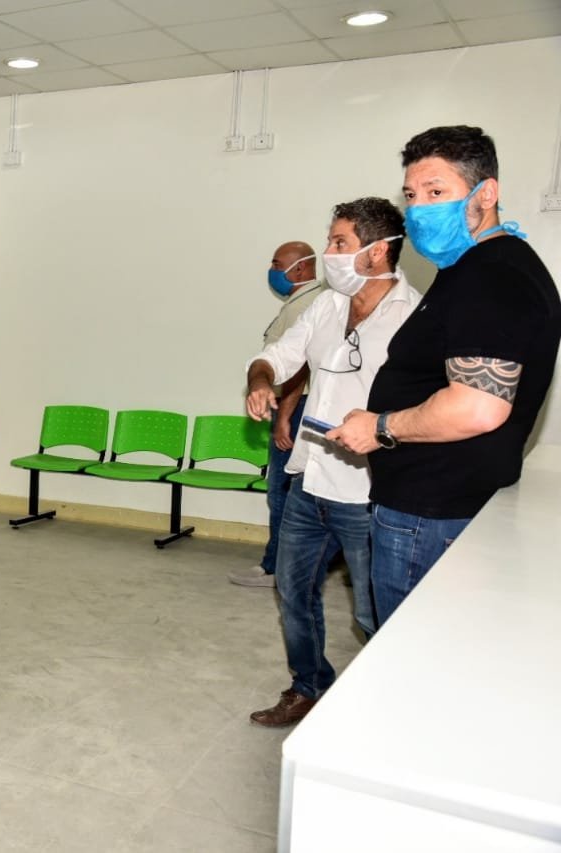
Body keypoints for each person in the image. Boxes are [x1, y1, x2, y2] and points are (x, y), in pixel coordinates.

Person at [332, 126, 561, 626]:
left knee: (406, 646)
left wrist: (380, 427)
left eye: (436, 192)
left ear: (486, 193)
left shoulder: (490, 275)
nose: (419, 209)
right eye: (412, 195)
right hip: (435, 506)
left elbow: (477, 407)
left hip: (430, 515)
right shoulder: (475, 269)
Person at [244, 198, 421, 727]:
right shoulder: (325, 306)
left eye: (340, 242)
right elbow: (278, 356)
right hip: (309, 480)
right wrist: (260, 381)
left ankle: (387, 713)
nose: (329, 252)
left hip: (369, 496)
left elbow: (422, 411)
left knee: (371, 611)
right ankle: (308, 687)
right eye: (330, 240)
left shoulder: (413, 317)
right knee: (293, 592)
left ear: (378, 251)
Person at [230, 243, 324, 587]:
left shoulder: (308, 304)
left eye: (276, 264)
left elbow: (299, 367)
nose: (271, 270)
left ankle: (277, 569)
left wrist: (284, 415)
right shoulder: (302, 301)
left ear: (299, 268)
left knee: (282, 492)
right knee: (292, 492)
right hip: (296, 406)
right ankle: (286, 565)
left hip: (295, 408)